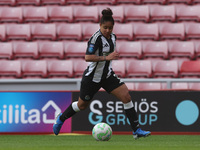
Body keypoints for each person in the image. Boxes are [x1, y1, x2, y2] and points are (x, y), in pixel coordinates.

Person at [53, 8, 151, 139]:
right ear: (100, 26)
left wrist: (108, 59)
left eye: (110, 28)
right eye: (105, 27)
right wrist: (106, 57)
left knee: (126, 97)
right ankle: (61, 117)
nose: (107, 30)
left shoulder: (113, 38)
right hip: (93, 78)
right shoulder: (96, 39)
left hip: (107, 75)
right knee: (82, 105)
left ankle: (136, 130)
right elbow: (88, 57)